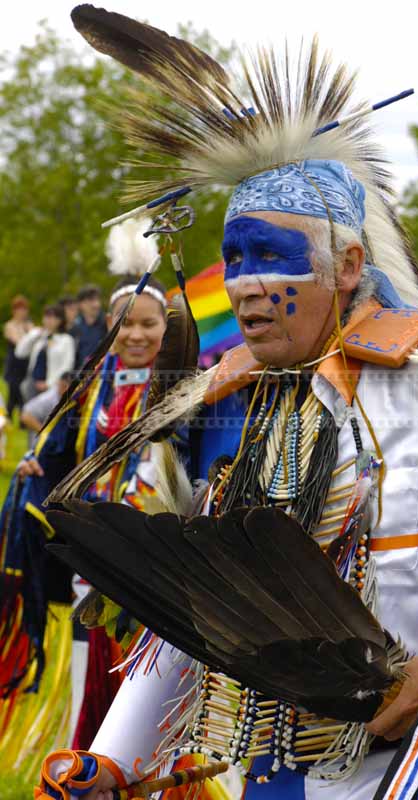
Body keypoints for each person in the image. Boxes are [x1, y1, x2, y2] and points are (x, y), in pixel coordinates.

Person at [36, 12, 418, 800]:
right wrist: (115, 759)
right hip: (279, 777)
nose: (243, 285)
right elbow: (211, 600)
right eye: (233, 259)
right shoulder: (256, 415)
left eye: (270, 255)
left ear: (348, 265)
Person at [0, 218, 180, 778]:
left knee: (150, 683)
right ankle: (87, 764)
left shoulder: (185, 384)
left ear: (167, 326)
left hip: (156, 559)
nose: (136, 335)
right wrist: (38, 464)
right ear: (109, 325)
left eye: (149, 324)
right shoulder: (91, 382)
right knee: (90, 667)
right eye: (126, 324)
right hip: (89, 553)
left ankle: (151, 772)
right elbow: (56, 443)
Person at [16, 304, 75, 401]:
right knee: (28, 409)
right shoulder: (38, 336)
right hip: (32, 383)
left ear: (60, 320)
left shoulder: (66, 340)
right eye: (47, 316)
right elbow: (20, 352)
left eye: (53, 317)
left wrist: (49, 383)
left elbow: (67, 366)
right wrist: (34, 334)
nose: (49, 320)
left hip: (52, 386)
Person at [20, 371, 73, 447]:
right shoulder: (48, 399)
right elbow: (25, 416)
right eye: (65, 386)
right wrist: (46, 434)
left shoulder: (64, 398)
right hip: (40, 447)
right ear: (60, 384)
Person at [2, 294, 33, 417]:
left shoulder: (29, 325)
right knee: (14, 392)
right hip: (14, 364)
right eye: (19, 309)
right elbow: (19, 342)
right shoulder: (10, 325)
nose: (22, 312)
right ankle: (10, 417)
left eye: (24, 309)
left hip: (26, 364)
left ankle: (20, 418)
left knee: (22, 393)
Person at [71, 284, 107, 368]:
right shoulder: (74, 328)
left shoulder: (107, 324)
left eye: (97, 299)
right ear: (81, 304)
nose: (96, 304)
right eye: (91, 300)